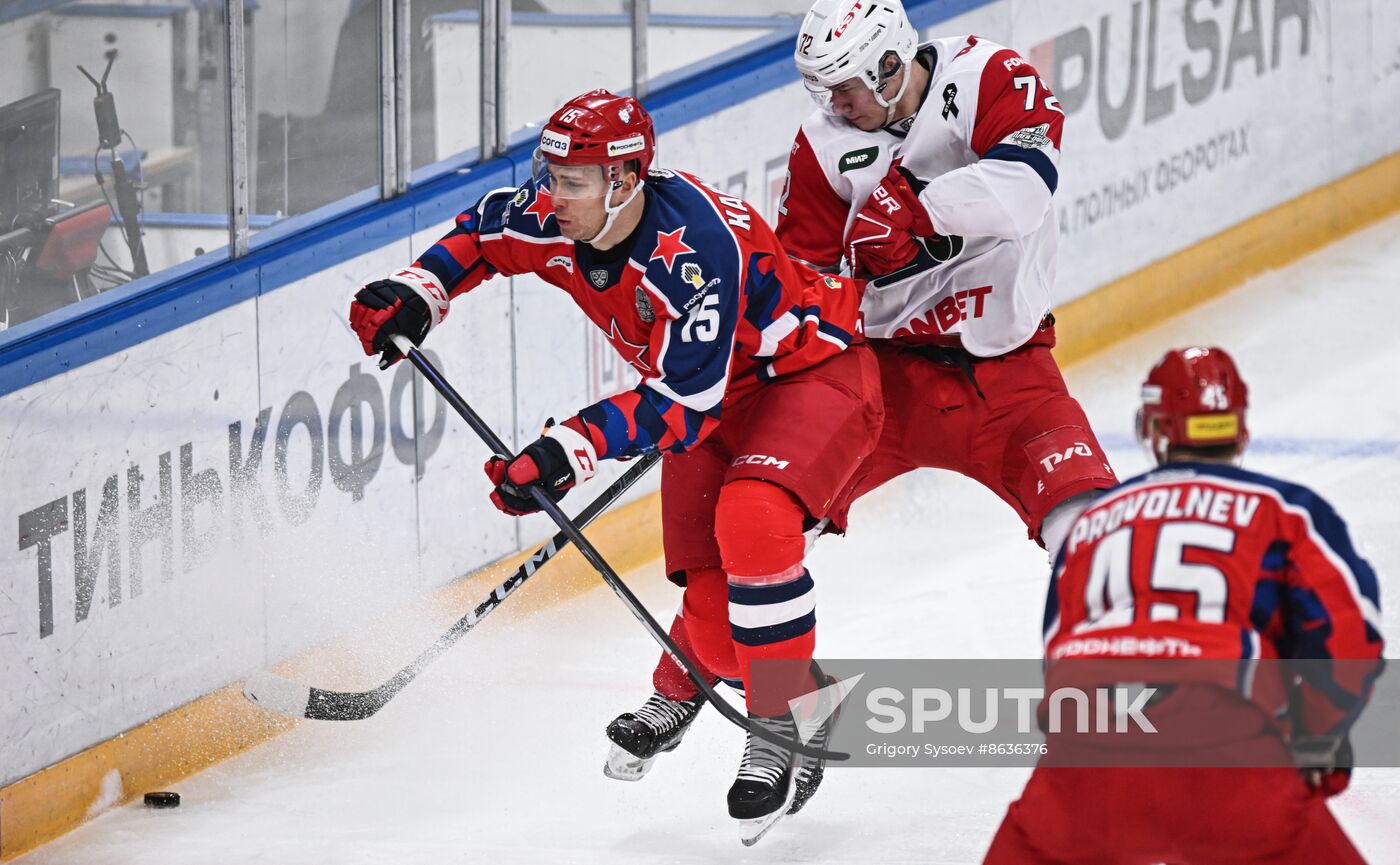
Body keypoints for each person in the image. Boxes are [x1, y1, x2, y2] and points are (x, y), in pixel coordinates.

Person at [347, 90, 883, 839]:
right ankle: (734, 691)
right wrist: (418, 291)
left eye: (572, 182)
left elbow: (680, 408)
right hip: (712, 396)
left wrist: (565, 449)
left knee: (752, 520)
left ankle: (778, 721)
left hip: (810, 380)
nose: (552, 196)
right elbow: (480, 232)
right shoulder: (561, 215)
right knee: (711, 586)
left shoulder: (695, 254)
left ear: (626, 181)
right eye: (551, 175)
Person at [606, 0, 1119, 780]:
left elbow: (1024, 188)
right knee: (757, 535)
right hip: (879, 381)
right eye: (821, 90)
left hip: (1008, 375)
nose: (832, 106)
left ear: (889, 65)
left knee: (1090, 524)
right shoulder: (821, 145)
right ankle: (687, 677)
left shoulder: (988, 76)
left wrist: (911, 207)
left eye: (843, 87)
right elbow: (807, 280)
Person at [981, 346, 1384, 864]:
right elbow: (1350, 639)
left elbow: (1059, 656)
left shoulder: (1091, 524)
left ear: (1153, 429)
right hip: (1229, 759)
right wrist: (1317, 737)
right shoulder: (1287, 511)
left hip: (1085, 768)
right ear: (1240, 429)